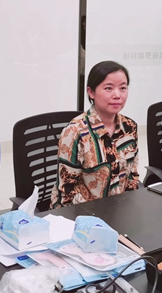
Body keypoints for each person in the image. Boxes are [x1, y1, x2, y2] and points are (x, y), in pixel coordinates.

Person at [50, 61, 138, 207]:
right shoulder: (75, 132)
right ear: (91, 92)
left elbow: (132, 177)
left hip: (120, 209)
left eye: (123, 88)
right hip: (80, 212)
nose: (117, 95)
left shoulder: (129, 127)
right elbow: (67, 191)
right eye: (108, 88)